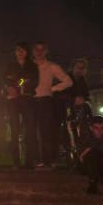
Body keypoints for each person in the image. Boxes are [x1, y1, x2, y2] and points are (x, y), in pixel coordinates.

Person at [32, 42, 72, 170]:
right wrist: (22, 86)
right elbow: (21, 80)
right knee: (31, 131)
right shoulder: (29, 66)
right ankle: (36, 159)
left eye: (41, 49)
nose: (39, 52)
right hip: (30, 101)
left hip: (45, 100)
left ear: (46, 51)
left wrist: (53, 88)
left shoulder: (52, 66)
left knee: (45, 131)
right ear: (33, 51)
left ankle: (48, 160)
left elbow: (68, 81)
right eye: (36, 49)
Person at [3, 42, 38, 169]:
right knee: (14, 130)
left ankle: (29, 161)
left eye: (22, 50)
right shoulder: (10, 65)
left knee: (30, 130)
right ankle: (16, 162)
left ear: (26, 52)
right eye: (18, 50)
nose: (20, 52)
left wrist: (19, 82)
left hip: (27, 100)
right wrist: (12, 87)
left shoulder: (32, 66)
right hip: (13, 101)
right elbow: (6, 80)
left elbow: (33, 81)